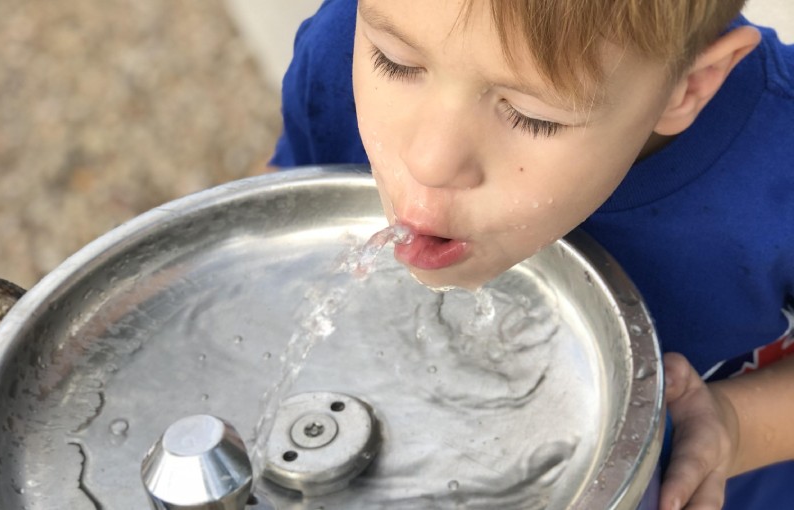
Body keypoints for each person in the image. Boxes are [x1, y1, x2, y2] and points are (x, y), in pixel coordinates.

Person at [270, 0, 794, 508]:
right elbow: (279, 225)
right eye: (396, 63)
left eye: (529, 116)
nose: (429, 161)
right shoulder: (342, 48)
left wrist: (733, 424)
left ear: (688, 87)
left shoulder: (780, 166)